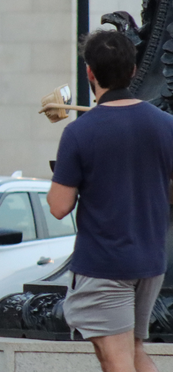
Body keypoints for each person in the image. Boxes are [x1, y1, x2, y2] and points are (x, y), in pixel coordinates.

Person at [47, 29, 173, 372]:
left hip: (106, 264)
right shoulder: (166, 125)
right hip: (150, 260)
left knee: (117, 360)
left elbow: (59, 207)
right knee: (128, 353)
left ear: (90, 72)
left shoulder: (79, 132)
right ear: (133, 70)